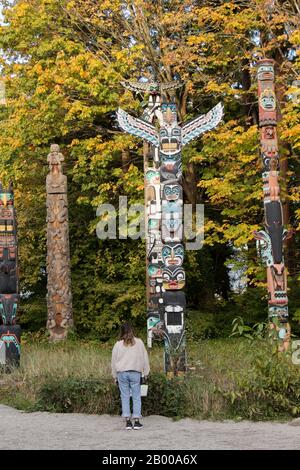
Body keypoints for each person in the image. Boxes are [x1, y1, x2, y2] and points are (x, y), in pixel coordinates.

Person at [111, 322, 150, 430]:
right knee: (136, 396)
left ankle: (128, 421)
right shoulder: (139, 342)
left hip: (122, 373)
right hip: (135, 372)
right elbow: (144, 358)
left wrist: (114, 376)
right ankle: (137, 421)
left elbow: (113, 361)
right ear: (132, 330)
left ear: (121, 331)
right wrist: (146, 372)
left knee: (125, 396)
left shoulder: (117, 344)